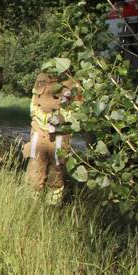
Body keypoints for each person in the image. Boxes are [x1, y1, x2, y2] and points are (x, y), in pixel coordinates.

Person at [25, 59, 81, 205]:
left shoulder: (73, 85)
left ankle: (52, 206)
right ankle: (32, 205)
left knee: (56, 172)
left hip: (60, 135)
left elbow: (78, 110)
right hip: (39, 132)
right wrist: (36, 123)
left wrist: (63, 121)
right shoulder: (42, 79)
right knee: (35, 170)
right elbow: (34, 103)